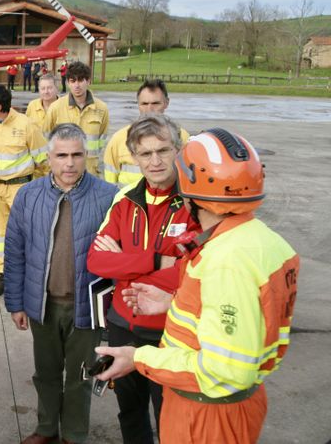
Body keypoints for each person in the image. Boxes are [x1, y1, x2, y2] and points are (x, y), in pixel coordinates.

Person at [95, 128, 299, 444]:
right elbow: (237, 319)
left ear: (189, 188)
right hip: (238, 405)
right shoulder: (268, 243)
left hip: (207, 414)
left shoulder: (223, 260)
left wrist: (138, 358)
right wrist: (172, 301)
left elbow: (223, 371)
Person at [86, 115, 199, 443]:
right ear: (133, 157)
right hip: (123, 326)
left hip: (171, 331)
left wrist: (124, 261)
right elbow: (97, 260)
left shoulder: (195, 203)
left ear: (178, 150)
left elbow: (191, 268)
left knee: (170, 414)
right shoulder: (125, 200)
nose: (156, 161)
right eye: (145, 154)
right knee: (130, 411)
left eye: (163, 150)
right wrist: (157, 259)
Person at [4, 123, 117, 444]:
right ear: (49, 157)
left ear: (87, 156)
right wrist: (16, 303)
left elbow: (120, 258)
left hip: (87, 309)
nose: (69, 163)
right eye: (62, 155)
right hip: (43, 306)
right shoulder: (28, 196)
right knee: (46, 374)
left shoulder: (108, 196)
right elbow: (15, 251)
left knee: (82, 376)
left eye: (76, 155)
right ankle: (46, 429)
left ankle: (75, 435)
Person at [0, 85, 49, 297]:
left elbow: (44, 161)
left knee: (27, 233)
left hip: (22, 188)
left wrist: (41, 189)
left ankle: (30, 276)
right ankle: (3, 276)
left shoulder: (27, 125)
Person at [104, 79, 189, 188]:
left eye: (155, 103)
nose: (149, 109)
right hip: (129, 203)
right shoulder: (119, 139)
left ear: (166, 103)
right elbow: (110, 182)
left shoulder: (183, 137)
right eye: (144, 104)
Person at [46, 61, 109, 178]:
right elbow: (47, 139)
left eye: (80, 80)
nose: (77, 85)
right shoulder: (55, 108)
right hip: (63, 171)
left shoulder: (102, 108)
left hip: (90, 172)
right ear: (68, 83)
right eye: (73, 81)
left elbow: (102, 140)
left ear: (88, 81)